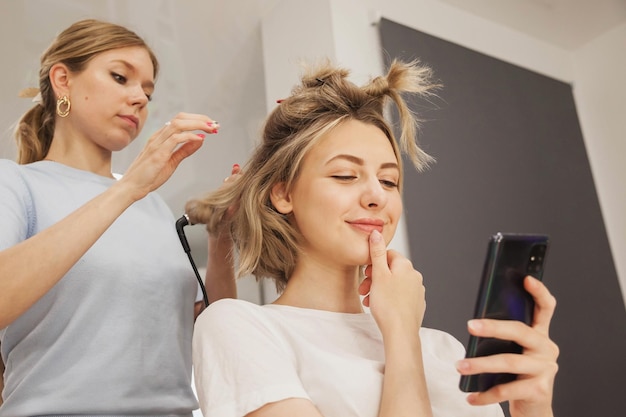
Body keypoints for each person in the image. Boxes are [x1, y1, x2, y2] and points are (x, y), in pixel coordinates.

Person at [186, 59, 560, 417]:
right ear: (284, 194)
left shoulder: (446, 349)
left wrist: (534, 410)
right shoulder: (239, 328)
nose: (377, 196)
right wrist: (400, 335)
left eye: (388, 180)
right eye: (346, 175)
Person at [0, 19, 235, 415]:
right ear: (63, 79)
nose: (140, 98)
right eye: (120, 77)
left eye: (147, 90)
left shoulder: (155, 206)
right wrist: (126, 188)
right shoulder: (16, 183)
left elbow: (212, 335)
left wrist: (222, 238)